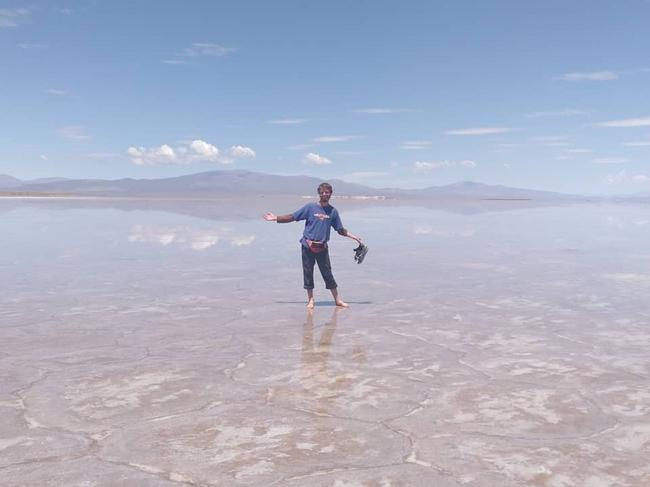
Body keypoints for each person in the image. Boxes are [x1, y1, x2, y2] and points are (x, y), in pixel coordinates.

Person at [263, 182, 363, 308]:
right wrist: (276, 218)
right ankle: (311, 300)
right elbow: (293, 217)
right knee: (308, 273)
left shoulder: (333, 212)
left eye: (327, 192)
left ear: (331, 194)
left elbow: (340, 230)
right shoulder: (310, 207)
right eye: (322, 192)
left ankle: (337, 300)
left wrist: (354, 237)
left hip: (322, 248)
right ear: (319, 193)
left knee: (327, 274)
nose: (324, 194)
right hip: (307, 246)